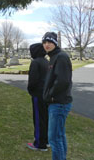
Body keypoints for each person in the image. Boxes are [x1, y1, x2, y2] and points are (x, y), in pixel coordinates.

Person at [42, 32, 73, 160]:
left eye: (49, 42)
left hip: (59, 103)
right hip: (57, 102)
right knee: (59, 136)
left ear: (55, 43)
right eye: (44, 42)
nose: (46, 45)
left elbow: (63, 81)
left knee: (54, 138)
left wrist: (50, 95)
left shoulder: (61, 57)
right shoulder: (54, 57)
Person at [26, 43, 49, 152]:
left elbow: (33, 81)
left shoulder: (35, 63)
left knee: (38, 118)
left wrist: (30, 90)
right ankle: (46, 140)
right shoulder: (47, 62)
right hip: (47, 94)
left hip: (38, 94)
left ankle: (40, 144)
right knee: (45, 117)